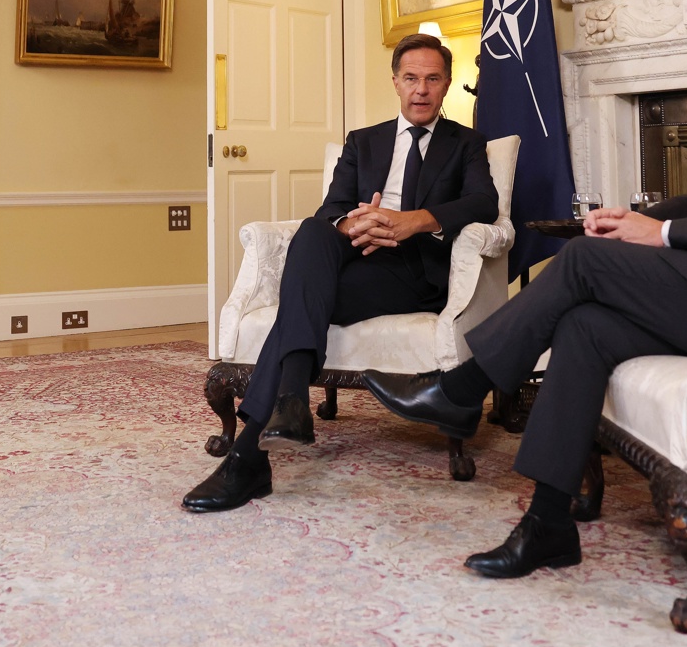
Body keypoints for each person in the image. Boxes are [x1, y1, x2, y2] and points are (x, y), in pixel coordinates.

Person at [362, 0, 687, 577]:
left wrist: (656, 232)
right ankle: (548, 525)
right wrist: (633, 215)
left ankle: (460, 389)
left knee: (584, 260)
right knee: (586, 327)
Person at [183, 33, 500, 513]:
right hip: (356, 256)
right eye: (411, 78)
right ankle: (285, 411)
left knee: (300, 302)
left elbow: (483, 202)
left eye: (432, 79)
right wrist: (357, 224)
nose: (420, 90)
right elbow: (332, 208)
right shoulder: (364, 141)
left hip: (413, 272)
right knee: (314, 230)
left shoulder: (467, 144)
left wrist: (410, 222)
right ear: (395, 82)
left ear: (446, 84)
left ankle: (254, 450)